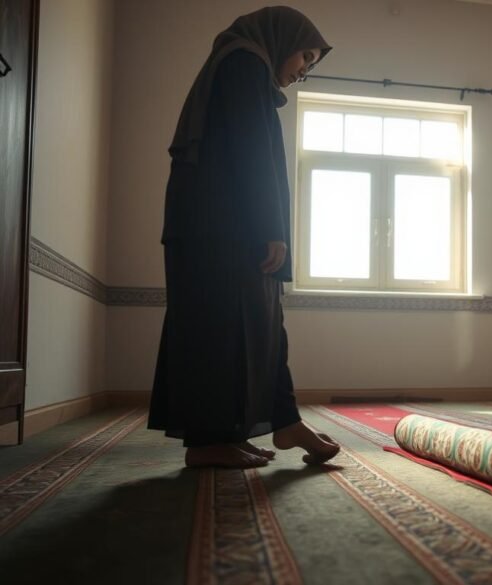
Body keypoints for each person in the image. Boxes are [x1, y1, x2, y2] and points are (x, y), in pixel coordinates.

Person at [149, 6, 340, 468]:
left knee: (253, 324)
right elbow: (252, 154)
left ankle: (269, 421)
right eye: (306, 58)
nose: (302, 72)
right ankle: (215, 440)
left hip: (217, 225)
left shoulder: (241, 64)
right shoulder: (245, 63)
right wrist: (270, 227)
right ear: (282, 38)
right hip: (224, 227)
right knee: (225, 327)